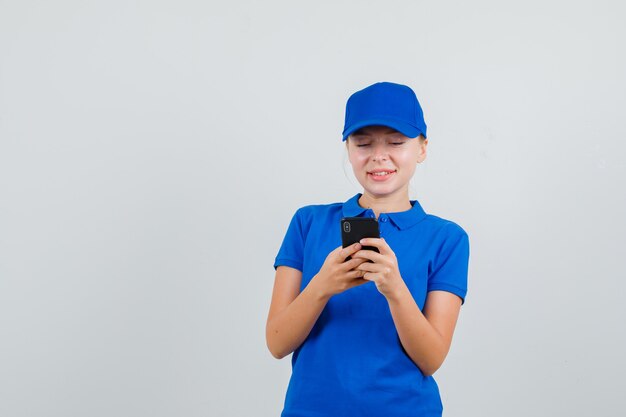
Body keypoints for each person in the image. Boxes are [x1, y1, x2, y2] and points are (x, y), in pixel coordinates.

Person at [266, 81, 470, 417]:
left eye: (396, 142)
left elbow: (431, 359)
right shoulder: (308, 223)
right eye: (363, 143)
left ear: (422, 148)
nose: (379, 156)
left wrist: (395, 290)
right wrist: (322, 286)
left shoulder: (447, 238)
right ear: (348, 148)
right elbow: (276, 343)